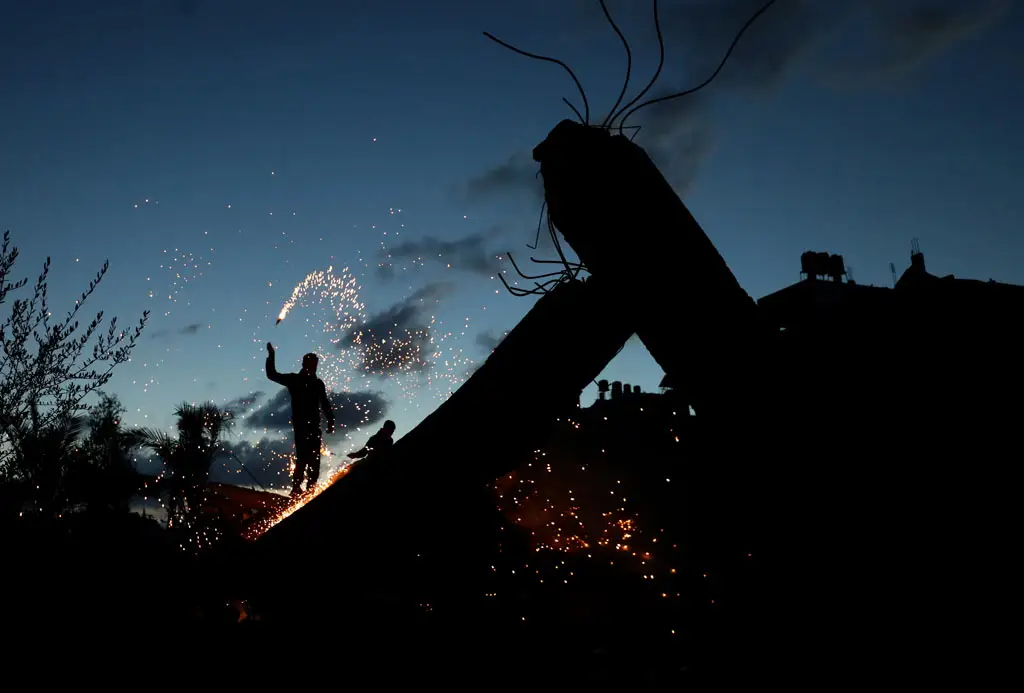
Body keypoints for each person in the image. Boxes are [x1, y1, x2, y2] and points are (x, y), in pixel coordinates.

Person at [265, 342, 335, 496]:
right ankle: (296, 488)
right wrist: (271, 356)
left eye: (315, 365)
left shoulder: (317, 383)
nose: (314, 367)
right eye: (311, 364)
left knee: (314, 459)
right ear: (304, 364)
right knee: (303, 457)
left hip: (314, 426)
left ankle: (310, 489)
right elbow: (272, 375)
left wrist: (330, 421)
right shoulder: (294, 379)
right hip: (301, 426)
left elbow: (324, 403)